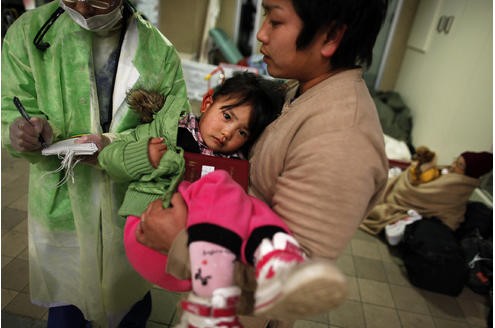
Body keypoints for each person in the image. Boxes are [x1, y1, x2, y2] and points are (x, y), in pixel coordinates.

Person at [136, 0, 389, 326]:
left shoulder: (342, 137)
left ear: (331, 37)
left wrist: (178, 243)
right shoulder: (299, 90)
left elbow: (290, 283)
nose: (261, 33)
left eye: (276, 19)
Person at [98, 72, 348, 327]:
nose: (228, 133)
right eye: (227, 116)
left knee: (248, 205)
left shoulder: (237, 160)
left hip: (187, 257)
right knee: (220, 186)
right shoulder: (166, 130)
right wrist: (144, 155)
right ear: (207, 103)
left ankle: (277, 255)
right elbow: (109, 158)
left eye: (242, 132)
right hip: (147, 230)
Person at [1, 0, 190, 327]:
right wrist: (19, 130)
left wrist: (112, 147)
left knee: (129, 304)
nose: (83, 8)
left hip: (128, 207)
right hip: (62, 207)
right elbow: (10, 105)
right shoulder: (29, 36)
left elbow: (175, 132)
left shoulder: (158, 53)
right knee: (67, 307)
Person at [361, 150, 493, 236]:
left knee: (379, 195)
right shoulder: (449, 172)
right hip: (413, 196)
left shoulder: (458, 185)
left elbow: (420, 194)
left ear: (470, 172)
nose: (453, 165)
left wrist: (407, 179)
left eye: (459, 165)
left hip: (416, 201)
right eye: (455, 161)